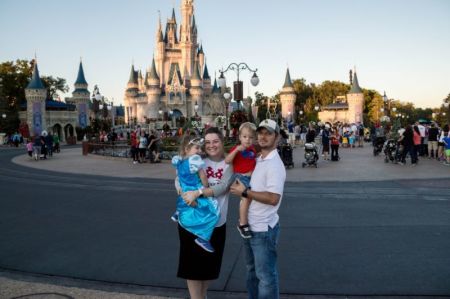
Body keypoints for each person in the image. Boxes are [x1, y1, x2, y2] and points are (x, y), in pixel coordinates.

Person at [230, 118, 286, 299]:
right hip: (250, 227)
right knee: (252, 272)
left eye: (268, 133)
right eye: (260, 132)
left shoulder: (274, 164)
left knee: (266, 277)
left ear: (276, 138)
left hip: (263, 230)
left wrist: (245, 192)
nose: (262, 136)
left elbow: (273, 198)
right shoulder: (259, 158)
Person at [178, 127, 233, 299]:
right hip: (192, 223)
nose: (211, 145)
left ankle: (203, 296)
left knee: (209, 268)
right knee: (193, 268)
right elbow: (178, 178)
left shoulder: (229, 164)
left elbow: (222, 187)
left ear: (222, 142)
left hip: (217, 223)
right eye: (207, 142)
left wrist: (199, 192)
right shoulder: (198, 159)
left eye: (215, 141)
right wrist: (184, 194)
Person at [171, 134, 219, 253]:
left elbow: (178, 176)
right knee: (213, 211)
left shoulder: (178, 160)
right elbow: (202, 176)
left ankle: (178, 211)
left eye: (200, 148)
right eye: (197, 148)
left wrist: (178, 186)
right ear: (187, 149)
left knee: (186, 200)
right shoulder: (195, 161)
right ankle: (204, 237)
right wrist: (206, 186)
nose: (199, 151)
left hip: (184, 188)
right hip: (194, 187)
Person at [224, 122, 257, 239]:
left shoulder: (253, 150)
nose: (247, 140)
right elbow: (227, 161)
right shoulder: (237, 149)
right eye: (245, 137)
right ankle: (242, 224)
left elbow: (253, 162)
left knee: (250, 198)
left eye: (251, 137)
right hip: (240, 176)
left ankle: (245, 220)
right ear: (240, 137)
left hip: (250, 177)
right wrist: (236, 150)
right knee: (246, 197)